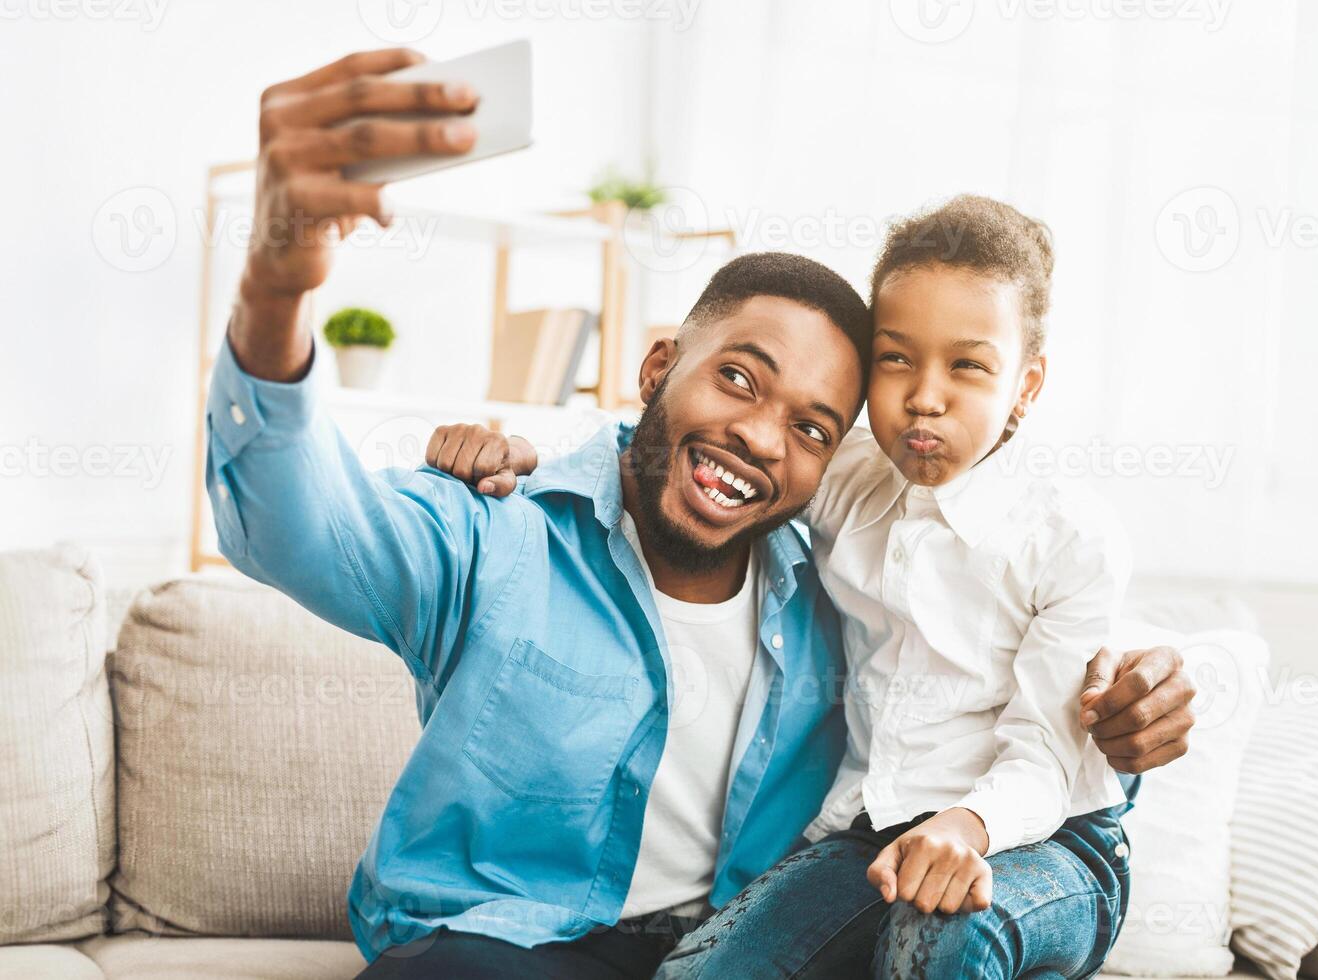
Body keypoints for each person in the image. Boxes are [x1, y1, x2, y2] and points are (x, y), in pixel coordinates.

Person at [208, 47, 1198, 979]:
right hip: (507, 943)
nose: (767, 439)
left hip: (779, 918)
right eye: (738, 377)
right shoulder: (500, 533)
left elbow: (1005, 622)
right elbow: (294, 527)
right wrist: (274, 280)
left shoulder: (827, 562)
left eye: (814, 426)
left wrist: (1135, 687)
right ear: (656, 366)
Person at [435, 196, 1145, 978]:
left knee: (946, 933)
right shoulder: (847, 479)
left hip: (1044, 842)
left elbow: (1048, 751)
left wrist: (968, 825)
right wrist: (540, 455)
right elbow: (692, 441)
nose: (925, 396)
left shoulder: (1071, 537)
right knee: (698, 971)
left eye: (968, 366)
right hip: (870, 836)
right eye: (897, 358)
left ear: (1026, 383)